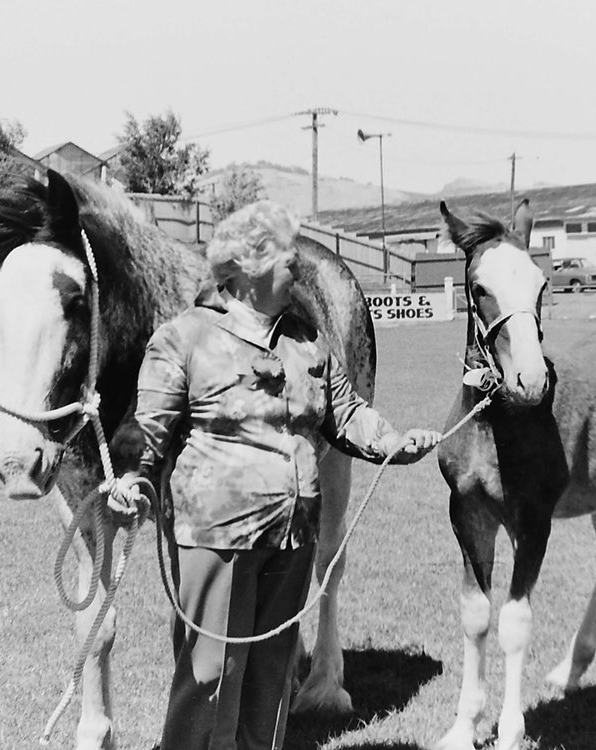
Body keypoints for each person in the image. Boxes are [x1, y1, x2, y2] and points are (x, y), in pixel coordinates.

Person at [117, 200, 441, 750]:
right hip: (215, 540)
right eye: (290, 257)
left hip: (291, 538)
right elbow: (144, 431)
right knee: (209, 678)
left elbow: (345, 412)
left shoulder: (305, 340)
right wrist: (131, 479)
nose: (301, 267)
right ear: (248, 266)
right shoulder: (185, 337)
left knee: (271, 684)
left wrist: (392, 441)